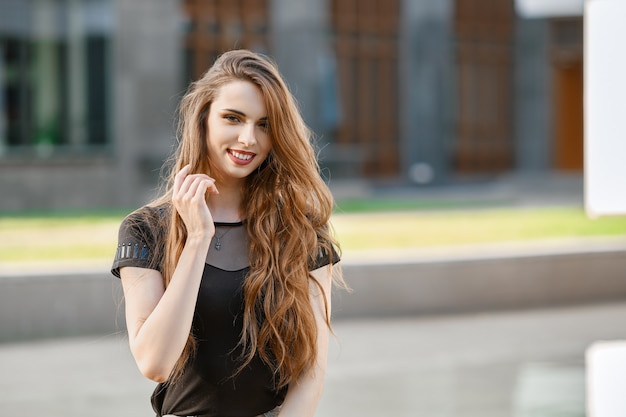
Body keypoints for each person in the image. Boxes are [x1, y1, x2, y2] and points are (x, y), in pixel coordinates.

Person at [111, 49, 346, 417]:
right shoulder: (146, 230)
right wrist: (198, 239)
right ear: (204, 119)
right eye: (233, 118)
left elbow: (311, 370)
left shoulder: (302, 229)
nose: (248, 138)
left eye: (264, 124)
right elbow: (154, 363)